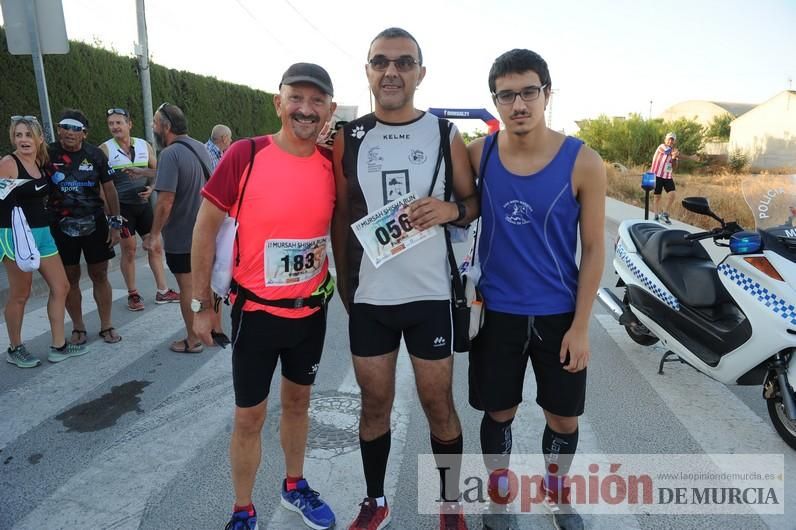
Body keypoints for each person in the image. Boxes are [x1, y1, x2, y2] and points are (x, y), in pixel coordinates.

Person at [332, 27, 478, 530]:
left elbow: (473, 203)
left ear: (420, 72)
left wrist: (450, 209)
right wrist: (345, 293)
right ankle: (376, 501)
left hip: (430, 296)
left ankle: (450, 503)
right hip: (371, 300)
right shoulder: (347, 136)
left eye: (403, 62)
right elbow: (335, 215)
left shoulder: (443, 134)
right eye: (380, 61)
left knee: (439, 404)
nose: (391, 70)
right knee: (375, 404)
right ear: (368, 70)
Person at [191, 63, 338, 530]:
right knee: (249, 417)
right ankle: (242, 510)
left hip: (311, 314)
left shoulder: (333, 163)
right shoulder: (245, 154)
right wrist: (201, 305)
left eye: (317, 101)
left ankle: (294, 486)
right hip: (256, 314)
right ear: (279, 102)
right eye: (296, 97)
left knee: (298, 405)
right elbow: (205, 228)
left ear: (329, 110)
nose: (305, 109)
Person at [466, 49, 606, 530]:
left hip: (558, 314)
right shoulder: (478, 153)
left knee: (563, 419)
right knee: (498, 412)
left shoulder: (583, 160)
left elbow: (592, 250)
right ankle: (499, 497)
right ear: (496, 101)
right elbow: (453, 207)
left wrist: (582, 326)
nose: (518, 103)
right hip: (497, 313)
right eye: (507, 95)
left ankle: (557, 491)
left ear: (547, 93)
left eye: (528, 91)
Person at [1, 116, 85, 367]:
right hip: (15, 236)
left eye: (28, 135)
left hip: (43, 233)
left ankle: (58, 345)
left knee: (61, 286)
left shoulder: (39, 162)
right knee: (20, 294)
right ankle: (15, 348)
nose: (23, 139)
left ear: (39, 139)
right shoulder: (8, 163)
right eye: (18, 135)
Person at [145, 102, 224, 353]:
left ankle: (193, 339)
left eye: (155, 122)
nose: (153, 127)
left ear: (166, 126)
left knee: (187, 289)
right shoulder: (200, 147)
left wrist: (154, 233)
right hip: (207, 231)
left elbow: (165, 202)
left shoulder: (169, 154)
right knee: (209, 284)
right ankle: (214, 329)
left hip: (182, 235)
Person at [48, 109, 123, 344]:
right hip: (60, 225)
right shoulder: (47, 153)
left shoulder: (96, 155)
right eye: (65, 127)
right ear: (59, 129)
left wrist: (115, 223)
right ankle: (78, 327)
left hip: (95, 222)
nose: (69, 132)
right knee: (70, 278)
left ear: (84, 133)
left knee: (99, 274)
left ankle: (106, 325)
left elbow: (109, 189)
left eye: (75, 129)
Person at [100, 107, 180, 312]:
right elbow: (101, 184)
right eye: (111, 124)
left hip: (143, 206)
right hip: (123, 208)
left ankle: (163, 291)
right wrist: (111, 215)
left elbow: (158, 171)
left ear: (129, 124)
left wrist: (152, 187)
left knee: (155, 246)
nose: (115, 127)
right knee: (129, 250)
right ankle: (133, 294)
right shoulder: (105, 149)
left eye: (119, 123)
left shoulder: (144, 145)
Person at [650, 131, 692, 224]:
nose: (670, 141)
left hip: (667, 176)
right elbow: (668, 152)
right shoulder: (662, 146)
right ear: (665, 140)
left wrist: (674, 158)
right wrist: (691, 157)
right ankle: (656, 215)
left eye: (672, 140)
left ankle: (664, 214)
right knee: (657, 196)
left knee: (672, 194)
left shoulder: (675, 152)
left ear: (674, 142)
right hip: (657, 175)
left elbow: (674, 166)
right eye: (669, 139)